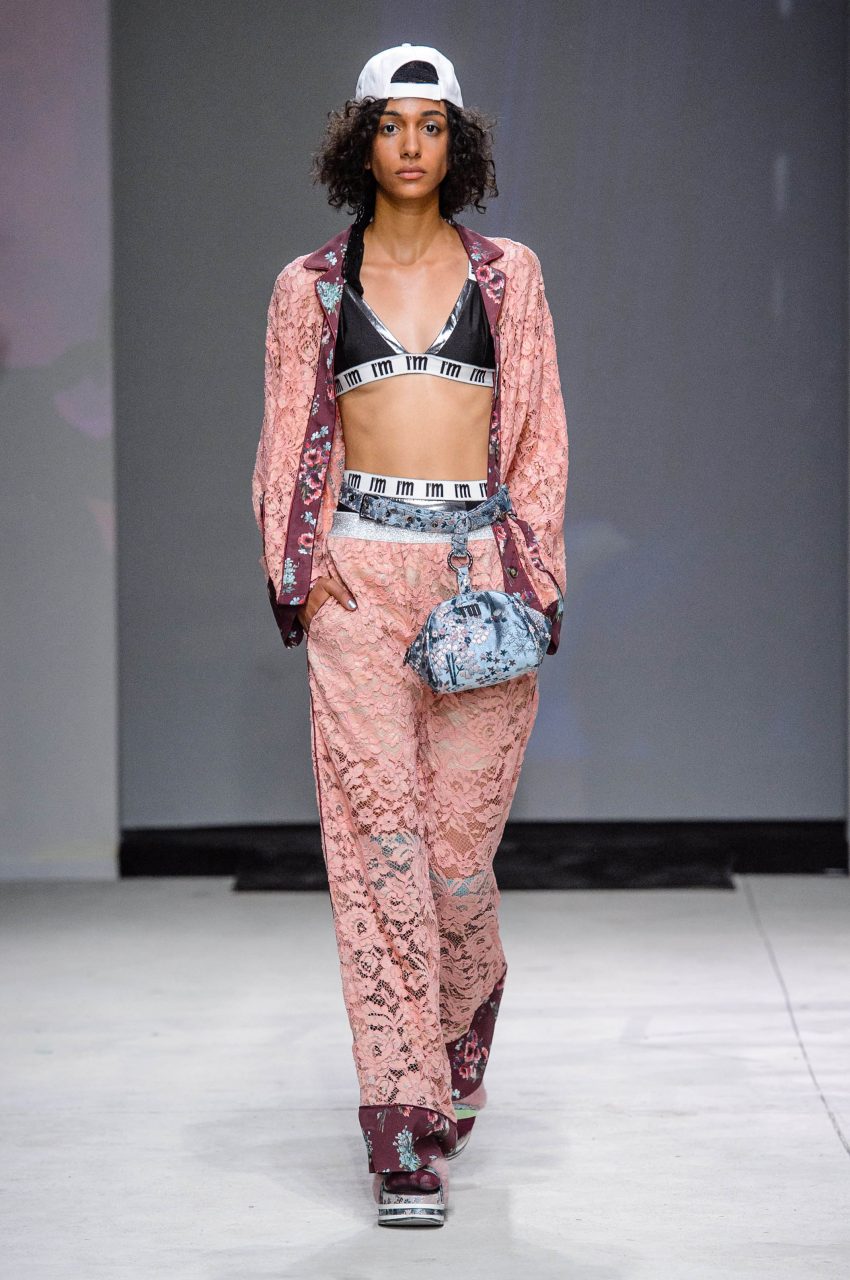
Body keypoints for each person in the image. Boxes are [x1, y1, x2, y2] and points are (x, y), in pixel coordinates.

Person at [251, 42, 569, 1227]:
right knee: (377, 854)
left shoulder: (509, 276)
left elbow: (536, 429)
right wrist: (303, 568)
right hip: (358, 581)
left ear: (457, 144)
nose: (411, 145)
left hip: (477, 576)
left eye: (431, 126)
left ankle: (463, 1005)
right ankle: (403, 1127)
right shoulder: (309, 287)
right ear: (361, 140)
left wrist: (530, 572)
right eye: (391, 124)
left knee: (451, 861)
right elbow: (285, 430)